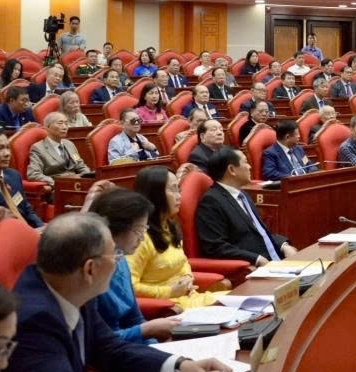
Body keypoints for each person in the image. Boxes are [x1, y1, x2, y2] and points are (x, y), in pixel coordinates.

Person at [0, 212, 233, 372]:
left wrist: (181, 366)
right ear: (90, 269)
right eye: (115, 257)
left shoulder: (70, 290)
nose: (118, 265)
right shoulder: (33, 320)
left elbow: (111, 350)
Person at [89, 189, 181, 344]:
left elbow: (134, 318)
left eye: (145, 229)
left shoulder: (122, 260)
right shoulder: (91, 271)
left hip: (134, 347)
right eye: (139, 230)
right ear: (114, 229)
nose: (143, 237)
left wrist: (159, 345)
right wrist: (147, 330)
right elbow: (98, 343)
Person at [131, 166, 224, 309]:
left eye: (178, 190)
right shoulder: (139, 238)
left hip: (190, 297)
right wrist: (169, 292)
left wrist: (187, 277)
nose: (179, 196)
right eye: (173, 190)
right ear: (155, 194)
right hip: (169, 309)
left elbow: (183, 261)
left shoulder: (168, 225)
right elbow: (130, 288)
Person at [195, 147, 297, 264]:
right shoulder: (211, 202)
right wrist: (256, 259)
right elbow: (216, 247)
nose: (250, 166)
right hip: (255, 269)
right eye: (245, 162)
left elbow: (260, 231)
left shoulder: (243, 195)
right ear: (232, 170)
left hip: (277, 262)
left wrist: (284, 246)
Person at [27, 112, 93, 185]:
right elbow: (33, 174)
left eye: (66, 123)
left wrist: (89, 178)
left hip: (77, 184)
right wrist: (56, 183)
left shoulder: (69, 144)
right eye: (60, 123)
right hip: (58, 188)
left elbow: (81, 166)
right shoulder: (38, 148)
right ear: (47, 127)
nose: (65, 127)